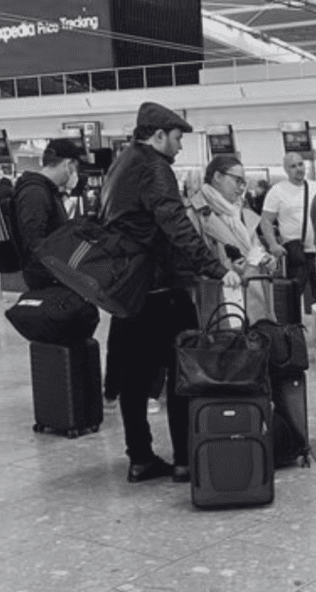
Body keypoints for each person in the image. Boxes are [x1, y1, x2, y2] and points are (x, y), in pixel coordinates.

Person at [100, 102, 242, 483]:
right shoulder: (154, 168)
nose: (180, 147)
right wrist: (216, 268)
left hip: (128, 288)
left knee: (132, 378)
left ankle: (140, 458)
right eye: (178, 138)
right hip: (162, 289)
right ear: (158, 135)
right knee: (185, 374)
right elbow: (176, 226)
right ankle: (184, 459)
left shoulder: (121, 163)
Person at [187, 155, 276, 324]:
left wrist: (266, 258)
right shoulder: (195, 215)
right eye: (237, 181)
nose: (242, 188)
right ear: (218, 177)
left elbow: (254, 247)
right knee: (229, 345)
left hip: (253, 297)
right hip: (220, 302)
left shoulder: (239, 213)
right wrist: (226, 268)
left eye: (244, 183)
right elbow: (192, 260)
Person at [14, 138, 85, 290]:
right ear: (68, 165)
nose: (76, 174)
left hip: (55, 275)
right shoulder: (35, 192)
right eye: (76, 168)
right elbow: (34, 243)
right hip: (46, 280)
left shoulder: (48, 191)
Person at [260, 153, 316, 299]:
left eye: (300, 164)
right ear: (286, 169)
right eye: (293, 166)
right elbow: (266, 221)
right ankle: (291, 322)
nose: (298, 169)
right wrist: (273, 244)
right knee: (292, 294)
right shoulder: (277, 191)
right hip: (294, 252)